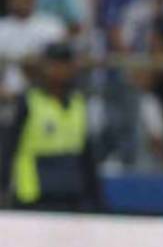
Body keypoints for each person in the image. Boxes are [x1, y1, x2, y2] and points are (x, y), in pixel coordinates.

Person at [0, 42, 102, 212]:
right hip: (32, 194)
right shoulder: (29, 101)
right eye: (54, 64)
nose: (59, 70)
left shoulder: (78, 102)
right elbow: (8, 147)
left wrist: (95, 197)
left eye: (65, 64)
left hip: (71, 194)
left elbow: (87, 154)